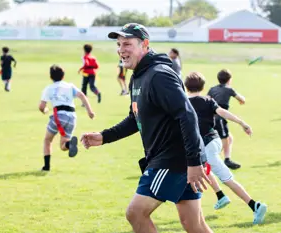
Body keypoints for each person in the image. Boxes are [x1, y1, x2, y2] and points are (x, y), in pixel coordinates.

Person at [81, 23, 213, 233]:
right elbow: (135, 118)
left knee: (135, 213)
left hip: (173, 159)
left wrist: (194, 161)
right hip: (176, 159)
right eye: (118, 44)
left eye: (127, 44)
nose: (121, 49)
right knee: (193, 224)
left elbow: (187, 115)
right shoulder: (138, 77)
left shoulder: (159, 75)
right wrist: (104, 137)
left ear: (145, 45)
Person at [185, 71, 267, 225]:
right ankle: (220, 196)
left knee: (226, 178)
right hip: (214, 141)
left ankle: (255, 205)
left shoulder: (183, 102)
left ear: (186, 86)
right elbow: (223, 112)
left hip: (206, 148)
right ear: (202, 87)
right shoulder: (208, 100)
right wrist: (242, 123)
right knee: (202, 171)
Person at [39, 65, 95, 171]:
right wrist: (90, 111)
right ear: (63, 76)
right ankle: (69, 144)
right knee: (63, 146)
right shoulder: (69, 86)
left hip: (58, 117)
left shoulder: (49, 88)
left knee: (47, 140)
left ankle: (46, 167)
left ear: (51, 77)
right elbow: (82, 95)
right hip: (71, 117)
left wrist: (45, 110)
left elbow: (41, 106)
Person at [207, 69, 245, 170]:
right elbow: (241, 99)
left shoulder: (212, 89)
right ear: (229, 80)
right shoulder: (229, 89)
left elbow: (207, 99)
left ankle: (218, 158)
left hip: (210, 117)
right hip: (220, 118)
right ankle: (226, 159)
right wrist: (241, 100)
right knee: (225, 138)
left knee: (229, 138)